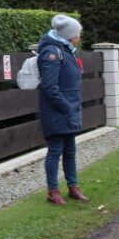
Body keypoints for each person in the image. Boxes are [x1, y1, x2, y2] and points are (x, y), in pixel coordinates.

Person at [39, 14, 89, 205]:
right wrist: (66, 107)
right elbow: (50, 87)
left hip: (69, 109)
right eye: (78, 33)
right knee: (55, 151)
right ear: (70, 35)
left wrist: (71, 108)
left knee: (70, 150)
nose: (79, 36)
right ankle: (53, 191)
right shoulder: (52, 53)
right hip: (57, 111)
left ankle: (73, 187)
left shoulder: (67, 50)